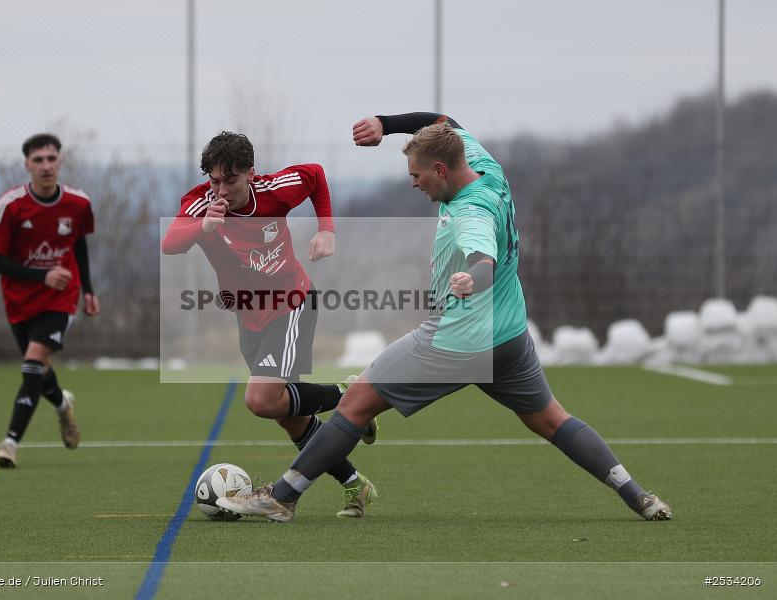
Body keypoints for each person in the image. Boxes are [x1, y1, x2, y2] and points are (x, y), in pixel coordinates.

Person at [216, 112, 673, 523]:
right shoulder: (485, 166)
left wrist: (473, 278)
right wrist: (386, 124)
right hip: (509, 335)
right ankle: (638, 495)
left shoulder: (469, 212)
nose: (414, 184)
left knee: (356, 402)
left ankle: (281, 498)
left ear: (440, 170)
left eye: (417, 176)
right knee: (552, 419)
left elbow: (483, 259)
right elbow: (443, 121)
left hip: (457, 340)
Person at [161, 131, 378, 518]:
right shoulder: (201, 204)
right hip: (250, 316)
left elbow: (315, 174)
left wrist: (326, 230)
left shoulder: (273, 190)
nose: (221, 190)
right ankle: (354, 483)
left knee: (260, 399)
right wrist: (203, 227)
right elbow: (170, 243)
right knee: (286, 414)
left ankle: (353, 394)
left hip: (292, 303)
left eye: (230, 180)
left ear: (250, 174)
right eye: (214, 181)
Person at [0, 133, 100, 468]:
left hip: (61, 298)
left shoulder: (78, 203)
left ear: (60, 161)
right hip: (19, 301)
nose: (46, 166)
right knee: (37, 368)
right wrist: (42, 275)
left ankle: (9, 444)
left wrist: (88, 290)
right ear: (27, 165)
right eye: (38, 160)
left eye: (51, 159)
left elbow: (79, 245)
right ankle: (63, 405)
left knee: (34, 361)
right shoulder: (9, 206)